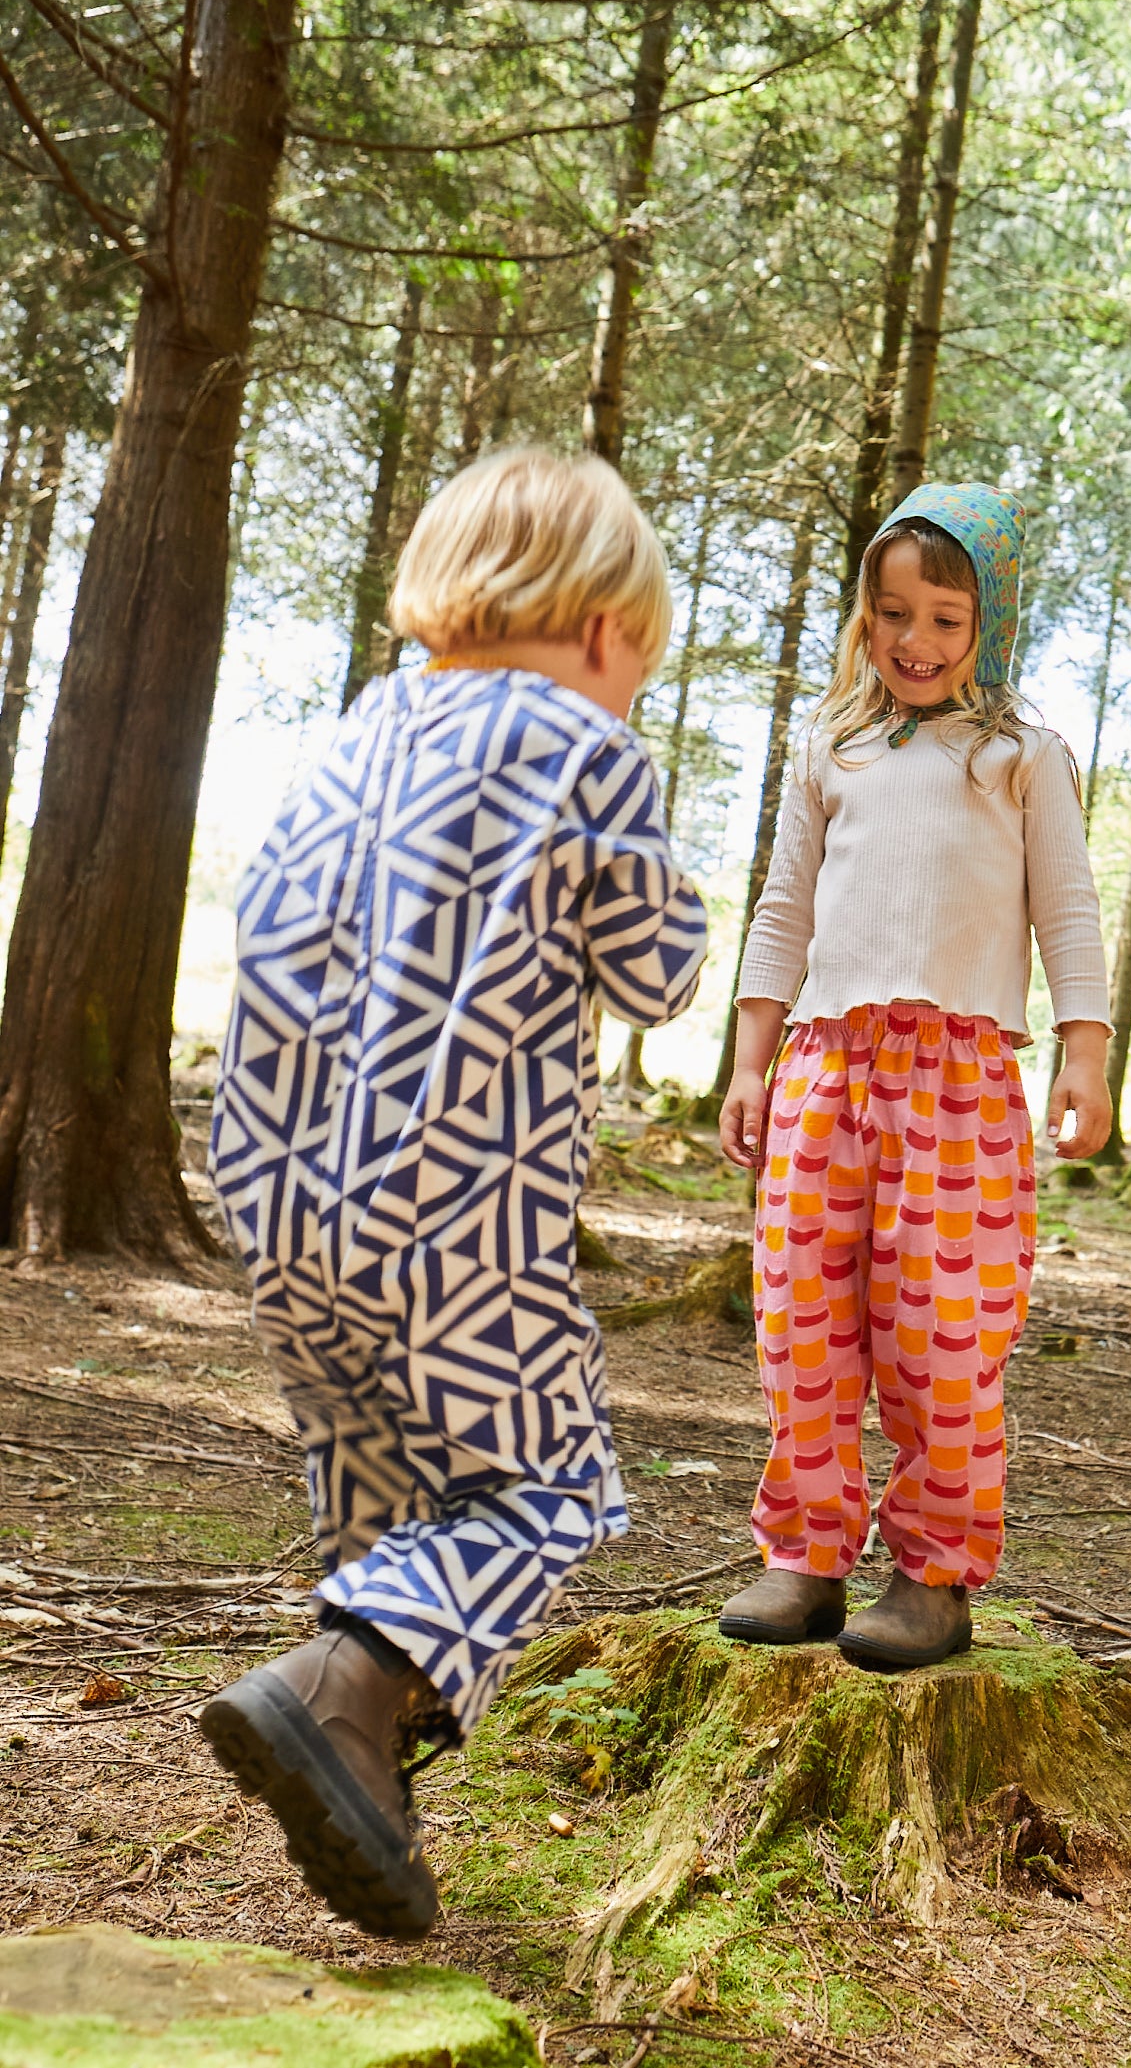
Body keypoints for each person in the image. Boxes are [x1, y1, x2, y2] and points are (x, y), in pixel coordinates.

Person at [201, 447, 707, 1939]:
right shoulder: (584, 747)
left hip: (280, 1187)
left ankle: (367, 1783)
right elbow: (657, 971)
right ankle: (338, 1687)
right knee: (543, 1488)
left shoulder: (357, 731)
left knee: (390, 1514)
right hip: (452, 1198)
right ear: (611, 634)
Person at [717, 483, 1110, 1671]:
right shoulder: (830, 746)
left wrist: (1084, 1049)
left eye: (945, 618)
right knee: (802, 1317)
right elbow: (783, 909)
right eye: (893, 613)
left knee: (943, 1331)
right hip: (824, 1071)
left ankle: (935, 1577)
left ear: (988, 625)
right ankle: (805, 1555)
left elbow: (1069, 911)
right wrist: (750, 1056)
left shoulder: (1018, 756)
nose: (915, 641)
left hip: (958, 1080)